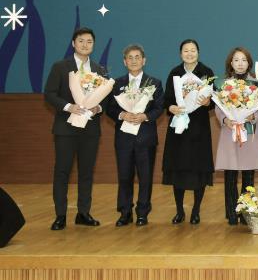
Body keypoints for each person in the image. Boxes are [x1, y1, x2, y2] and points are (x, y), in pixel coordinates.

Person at [44, 27, 107, 230]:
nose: (85, 45)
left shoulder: (99, 69)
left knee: (86, 172)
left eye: (89, 41)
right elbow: (49, 94)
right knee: (62, 171)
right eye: (81, 41)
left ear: (93, 45)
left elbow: (106, 101)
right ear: (73, 43)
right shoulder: (60, 67)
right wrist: (68, 106)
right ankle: (60, 215)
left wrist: (98, 108)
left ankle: (83, 213)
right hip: (66, 128)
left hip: (90, 129)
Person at [106, 44, 164, 227]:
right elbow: (110, 108)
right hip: (123, 138)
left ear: (144, 60)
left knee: (145, 178)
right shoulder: (116, 84)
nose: (133, 61)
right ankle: (125, 213)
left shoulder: (154, 83)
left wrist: (145, 116)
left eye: (137, 57)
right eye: (129, 58)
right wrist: (122, 114)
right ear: (124, 62)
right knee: (124, 176)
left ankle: (142, 213)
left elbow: (159, 108)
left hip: (145, 138)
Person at [162, 39, 215, 225]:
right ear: (180, 54)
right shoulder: (175, 73)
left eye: (193, 50)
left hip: (199, 128)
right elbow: (167, 99)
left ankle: (196, 210)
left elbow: (214, 99)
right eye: (186, 50)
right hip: (179, 128)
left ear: (198, 53)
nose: (190, 53)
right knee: (179, 169)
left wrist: (208, 102)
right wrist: (171, 107)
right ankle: (179, 211)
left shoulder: (206, 72)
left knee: (199, 169)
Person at [214, 47, 258, 225]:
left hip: (249, 132)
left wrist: (253, 116)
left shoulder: (257, 83)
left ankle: (246, 212)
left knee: (248, 174)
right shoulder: (223, 84)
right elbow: (218, 108)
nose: (240, 63)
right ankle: (231, 213)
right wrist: (225, 120)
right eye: (236, 60)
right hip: (230, 131)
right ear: (231, 63)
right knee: (230, 174)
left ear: (249, 63)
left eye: (244, 60)